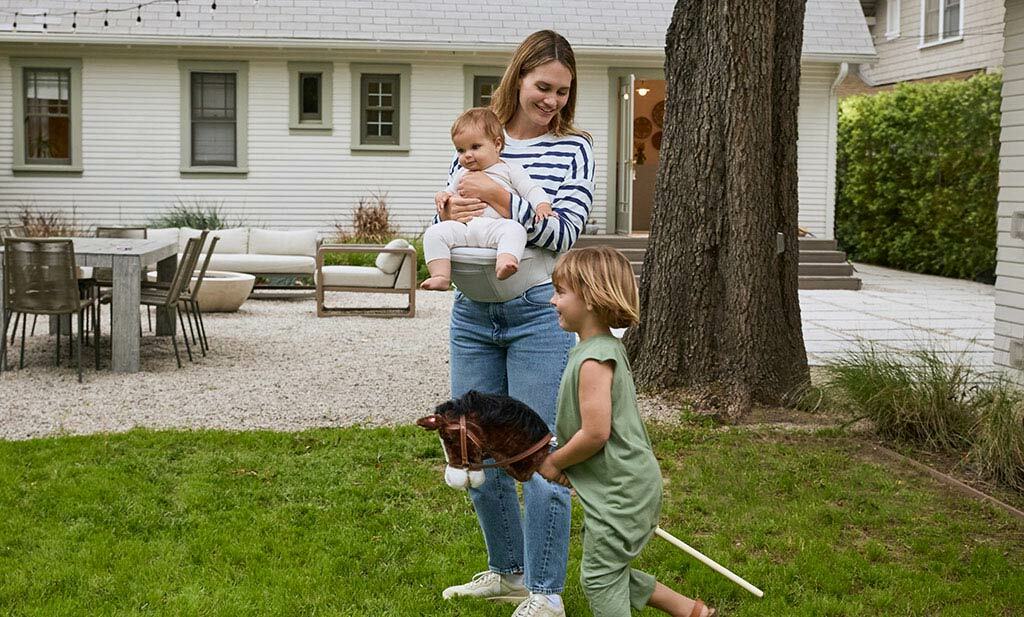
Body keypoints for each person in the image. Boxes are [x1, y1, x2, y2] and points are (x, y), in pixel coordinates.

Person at [438, 30, 595, 617]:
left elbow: (564, 235)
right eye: (542, 86)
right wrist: (451, 205)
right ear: (518, 79)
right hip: (472, 313)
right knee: (474, 443)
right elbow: (448, 215)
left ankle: (545, 591)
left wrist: (503, 203)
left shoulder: (574, 148)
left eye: (562, 91)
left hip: (536, 315)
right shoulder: (474, 139)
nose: (552, 99)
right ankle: (507, 572)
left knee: (538, 450)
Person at [537, 247, 716, 617]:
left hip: (623, 490)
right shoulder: (596, 349)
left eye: (560, 291)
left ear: (588, 297)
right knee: (609, 571)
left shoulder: (593, 359)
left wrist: (556, 462)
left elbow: (596, 433)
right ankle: (690, 610)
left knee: (600, 578)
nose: (552, 299)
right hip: (618, 485)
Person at [421, 107, 556, 290]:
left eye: (475, 147)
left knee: (515, 229)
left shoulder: (510, 169)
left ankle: (505, 261)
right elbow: (449, 192)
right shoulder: (462, 173)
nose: (467, 155)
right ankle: (440, 275)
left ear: (497, 144)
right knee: (434, 233)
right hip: (465, 228)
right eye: (460, 150)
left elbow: (531, 189)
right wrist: (442, 196)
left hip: (495, 228)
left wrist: (542, 205)